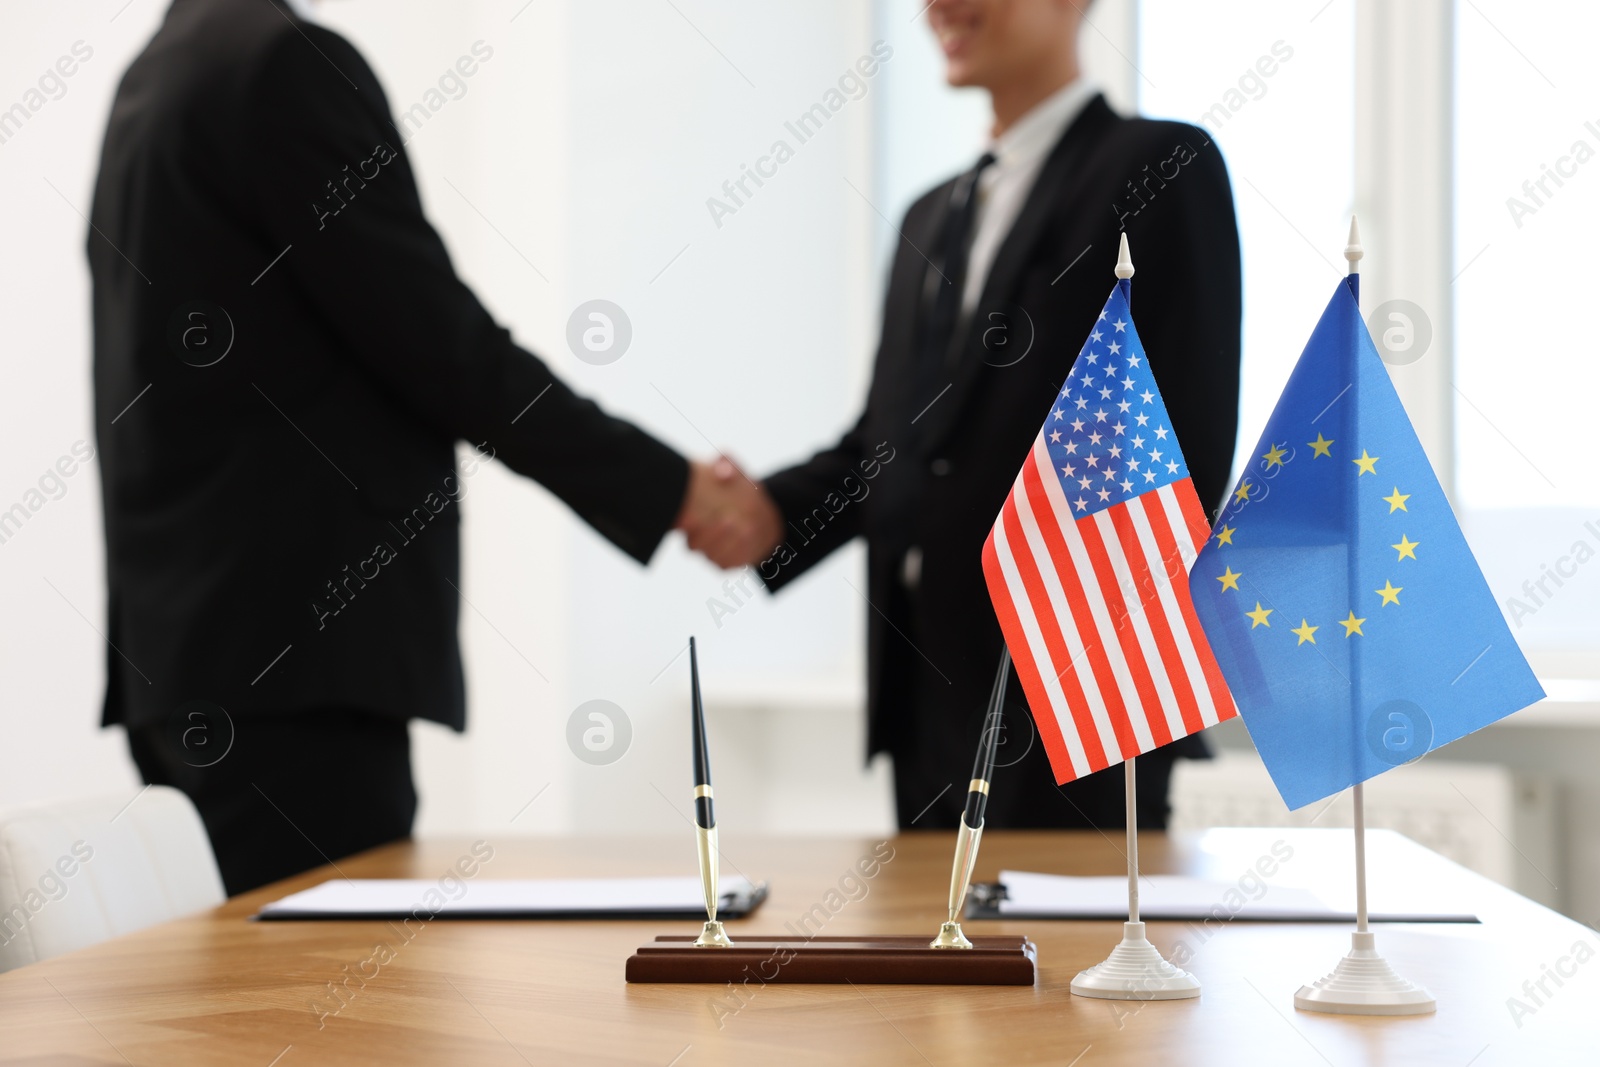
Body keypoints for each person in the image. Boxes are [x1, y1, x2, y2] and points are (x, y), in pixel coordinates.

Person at [88, 0, 767, 894]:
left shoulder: (157, 73)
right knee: (329, 1018)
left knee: (248, 1016)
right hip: (298, 669)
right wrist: (671, 489)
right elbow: (438, 344)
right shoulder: (281, 66)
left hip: (188, 660)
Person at [694, 0, 1242, 830]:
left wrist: (1102, 665)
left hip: (1073, 688)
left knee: (1077, 957)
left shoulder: (1158, 166)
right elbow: (891, 446)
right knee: (937, 954)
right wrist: (767, 512)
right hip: (923, 686)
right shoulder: (928, 213)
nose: (937, 8)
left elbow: (1188, 438)